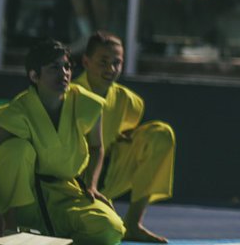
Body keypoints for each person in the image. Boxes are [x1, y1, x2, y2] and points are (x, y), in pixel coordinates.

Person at [0, 39, 125, 244]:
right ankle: (11, 226)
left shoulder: (87, 103)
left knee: (111, 229)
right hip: (26, 202)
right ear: (34, 76)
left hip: (67, 195)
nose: (64, 73)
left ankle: (55, 237)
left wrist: (92, 185)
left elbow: (97, 147)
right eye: (54, 68)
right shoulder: (18, 111)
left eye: (67, 66)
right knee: (15, 149)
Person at [75, 32, 175, 243]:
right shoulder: (69, 94)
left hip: (106, 176)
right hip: (71, 183)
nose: (111, 69)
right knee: (101, 231)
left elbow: (125, 130)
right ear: (86, 62)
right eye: (103, 62)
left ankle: (133, 223)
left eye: (117, 63)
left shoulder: (130, 102)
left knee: (161, 134)